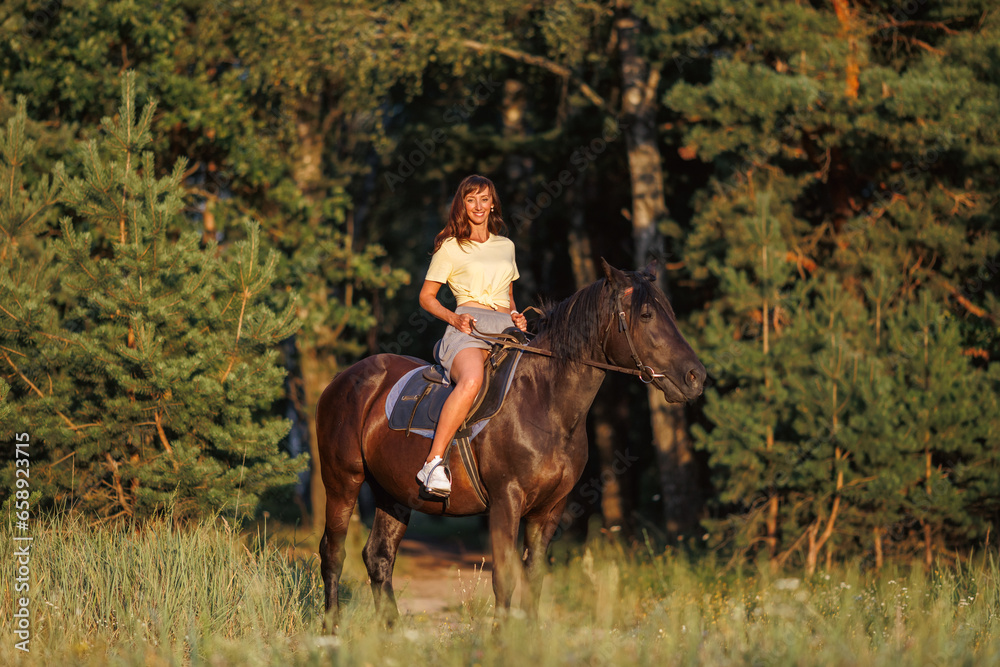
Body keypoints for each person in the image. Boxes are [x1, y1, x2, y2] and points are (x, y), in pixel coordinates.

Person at [416, 175, 528, 497]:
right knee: (471, 381)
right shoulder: (451, 247)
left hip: (505, 331)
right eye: (471, 200)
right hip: (468, 328)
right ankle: (434, 462)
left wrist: (515, 316)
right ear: (462, 206)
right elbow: (426, 297)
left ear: (493, 203)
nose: (478, 206)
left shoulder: (506, 246)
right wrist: (454, 316)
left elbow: (508, 296)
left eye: (484, 199)